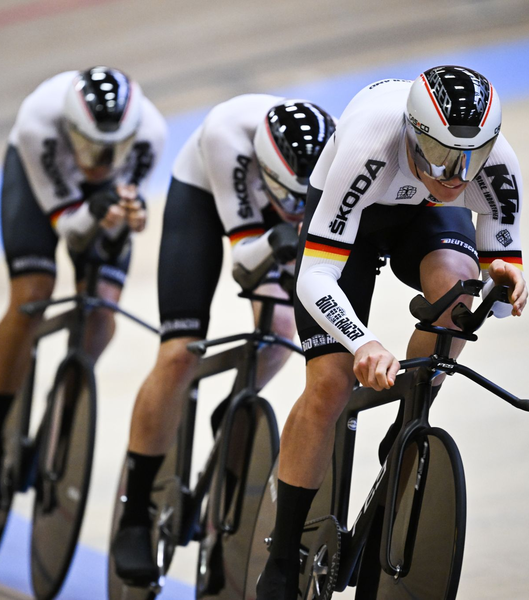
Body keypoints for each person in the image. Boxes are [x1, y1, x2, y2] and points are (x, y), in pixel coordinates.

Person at [255, 66, 529, 599]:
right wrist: (363, 342)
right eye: (445, 157)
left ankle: (408, 420)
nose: (457, 174)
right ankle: (283, 553)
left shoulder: (493, 166)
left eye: (471, 158)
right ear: (413, 134)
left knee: (456, 296)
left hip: (425, 217)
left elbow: (493, 299)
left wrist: (504, 286)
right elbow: (315, 276)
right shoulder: (370, 145)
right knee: (331, 383)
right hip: (357, 214)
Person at [111, 94, 336, 584]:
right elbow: (244, 263)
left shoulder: (332, 151)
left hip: (270, 215)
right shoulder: (225, 135)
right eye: (291, 201)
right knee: (176, 356)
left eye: (306, 203)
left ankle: (231, 407)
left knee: (277, 331)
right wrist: (284, 238)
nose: (298, 212)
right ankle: (132, 515)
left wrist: (295, 224)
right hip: (204, 198)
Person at [0, 66, 167, 503]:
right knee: (32, 295)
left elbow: (112, 240)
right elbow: (71, 232)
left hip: (95, 202)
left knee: (102, 314)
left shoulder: (150, 133)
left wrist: (121, 221)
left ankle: (57, 423)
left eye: (113, 151)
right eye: (92, 147)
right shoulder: (40, 120)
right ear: (72, 129)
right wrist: (97, 211)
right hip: (41, 182)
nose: (101, 162)